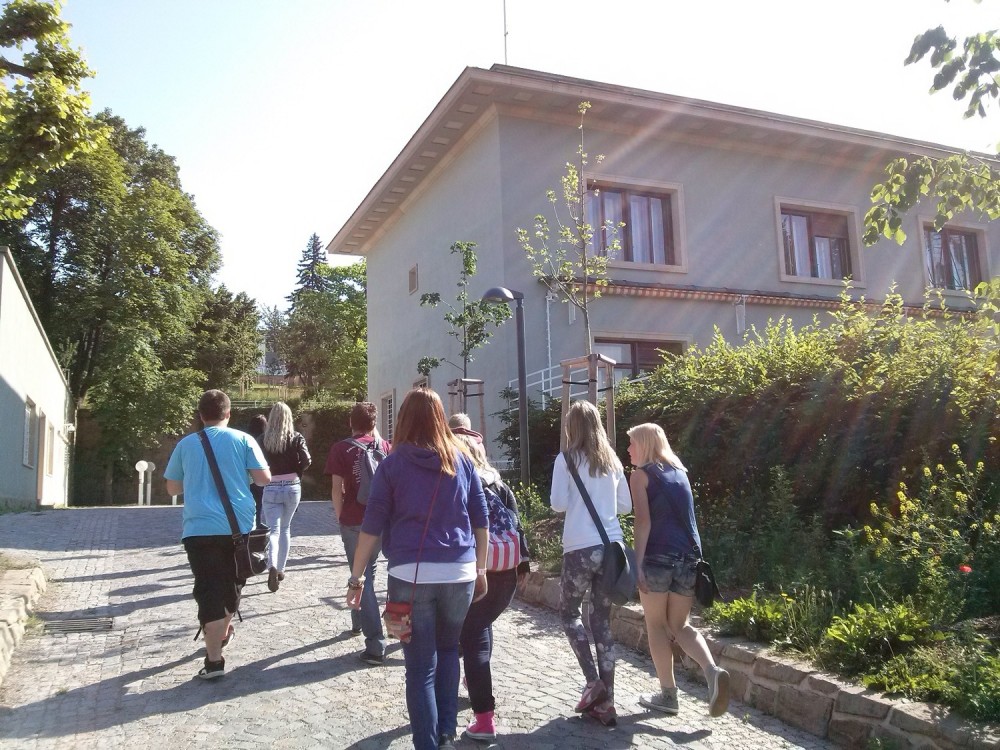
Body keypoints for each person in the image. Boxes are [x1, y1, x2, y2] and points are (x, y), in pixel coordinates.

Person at [346, 388, 489, 750]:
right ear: (441, 419)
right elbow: (480, 519)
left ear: (403, 419)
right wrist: (482, 569)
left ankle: (427, 743)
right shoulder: (462, 460)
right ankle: (446, 734)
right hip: (460, 572)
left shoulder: (392, 464)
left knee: (420, 666)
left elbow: (371, 525)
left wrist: (357, 577)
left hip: (410, 574)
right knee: (448, 651)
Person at [164, 389, 271, 679]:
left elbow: (172, 488)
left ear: (201, 416)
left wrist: (196, 479)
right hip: (239, 527)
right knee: (233, 585)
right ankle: (219, 637)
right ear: (228, 413)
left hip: (198, 528)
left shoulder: (186, 444)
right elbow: (263, 479)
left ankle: (214, 661)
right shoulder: (244, 440)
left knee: (209, 588)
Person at [627, 422, 730, 717]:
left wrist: (638, 564)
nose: (629, 449)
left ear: (645, 444)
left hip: (657, 557)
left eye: (632, 443)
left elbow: (643, 522)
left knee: (656, 625)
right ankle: (711, 671)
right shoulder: (680, 472)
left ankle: (668, 696)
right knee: (680, 625)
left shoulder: (640, 476)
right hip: (689, 559)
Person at [549, 399, 632, 727]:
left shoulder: (566, 459)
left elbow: (557, 504)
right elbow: (625, 506)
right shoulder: (612, 460)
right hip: (611, 548)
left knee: (569, 613)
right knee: (601, 622)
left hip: (580, 547)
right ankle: (607, 703)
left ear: (572, 427)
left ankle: (592, 681)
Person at [453, 430, 530, 742]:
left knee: (472, 639)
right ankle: (475, 684)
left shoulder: (459, 483)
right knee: (480, 628)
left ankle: (484, 719)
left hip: (477, 570)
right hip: (506, 571)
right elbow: (517, 524)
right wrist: (523, 563)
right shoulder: (498, 482)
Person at [324, 401, 391, 664]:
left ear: (350, 422)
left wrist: (341, 517)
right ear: (374, 423)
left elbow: (336, 489)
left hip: (354, 520)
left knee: (362, 576)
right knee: (365, 572)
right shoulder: (385, 447)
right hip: (382, 521)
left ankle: (375, 644)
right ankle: (358, 621)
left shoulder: (341, 448)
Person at [259, 402, 311, 593]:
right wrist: (296, 471)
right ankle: (280, 569)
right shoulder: (296, 437)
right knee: (286, 528)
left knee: (273, 530)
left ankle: (272, 564)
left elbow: (255, 462)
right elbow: (306, 460)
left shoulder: (262, 439)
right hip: (291, 486)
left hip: (270, 486)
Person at [247, 414, 268, 528]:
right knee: (258, 502)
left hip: (247, 475)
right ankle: (257, 523)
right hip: (259, 473)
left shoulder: (247, 439)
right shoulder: (265, 440)